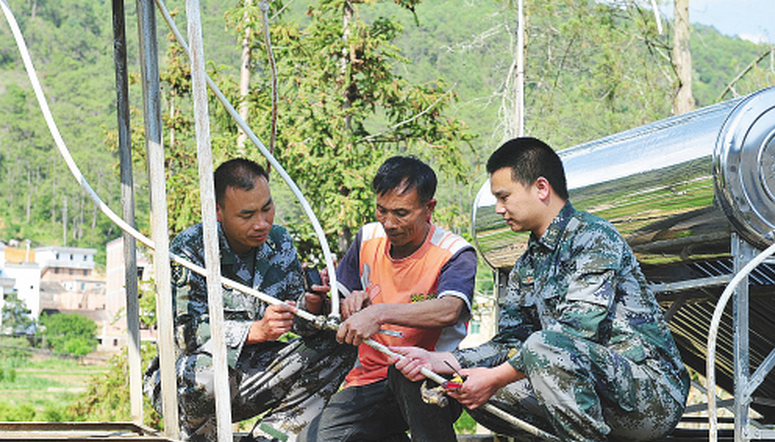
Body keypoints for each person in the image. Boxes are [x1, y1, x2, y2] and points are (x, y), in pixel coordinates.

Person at [392, 137, 690, 442]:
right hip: (587, 389)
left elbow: (574, 333)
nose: (498, 209)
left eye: (504, 196)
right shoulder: (527, 265)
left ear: (541, 188)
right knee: (471, 387)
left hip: (649, 395)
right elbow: (509, 341)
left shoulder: (594, 237)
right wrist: (445, 361)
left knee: (533, 352)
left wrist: (494, 377)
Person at [144, 158, 356, 442]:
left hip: (254, 377)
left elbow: (299, 323)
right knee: (208, 375)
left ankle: (271, 436)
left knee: (338, 346)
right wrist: (255, 331)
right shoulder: (190, 250)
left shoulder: (279, 242)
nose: (262, 223)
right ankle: (199, 437)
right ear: (217, 212)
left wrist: (311, 305)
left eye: (267, 209)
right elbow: (184, 334)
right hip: (188, 384)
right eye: (247, 215)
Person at [298, 156, 478, 442]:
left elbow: (451, 309)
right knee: (317, 438)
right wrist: (338, 301)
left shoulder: (454, 252)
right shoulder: (367, 238)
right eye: (381, 210)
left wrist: (379, 313)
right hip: (368, 381)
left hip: (433, 376)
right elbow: (340, 304)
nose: (389, 223)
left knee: (410, 376)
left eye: (401, 213)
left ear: (428, 208)